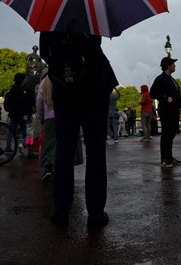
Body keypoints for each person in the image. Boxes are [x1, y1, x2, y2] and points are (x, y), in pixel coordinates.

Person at [40, 31, 118, 228]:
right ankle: (95, 213)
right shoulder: (92, 6)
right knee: (95, 150)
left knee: (64, 150)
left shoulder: (51, 14)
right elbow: (96, 42)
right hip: (93, 84)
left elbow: (44, 52)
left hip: (63, 85)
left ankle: (61, 213)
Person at [150, 56, 181, 168]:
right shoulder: (160, 79)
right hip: (166, 110)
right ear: (168, 65)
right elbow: (152, 93)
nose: (175, 65)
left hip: (173, 109)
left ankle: (169, 156)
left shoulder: (170, 78)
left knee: (171, 133)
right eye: (173, 63)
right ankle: (165, 159)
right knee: (167, 134)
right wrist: (165, 97)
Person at [35, 68, 56, 181]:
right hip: (62, 117)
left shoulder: (44, 82)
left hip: (48, 117)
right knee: (59, 141)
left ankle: (48, 167)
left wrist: (41, 114)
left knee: (48, 141)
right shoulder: (60, 78)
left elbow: (38, 101)